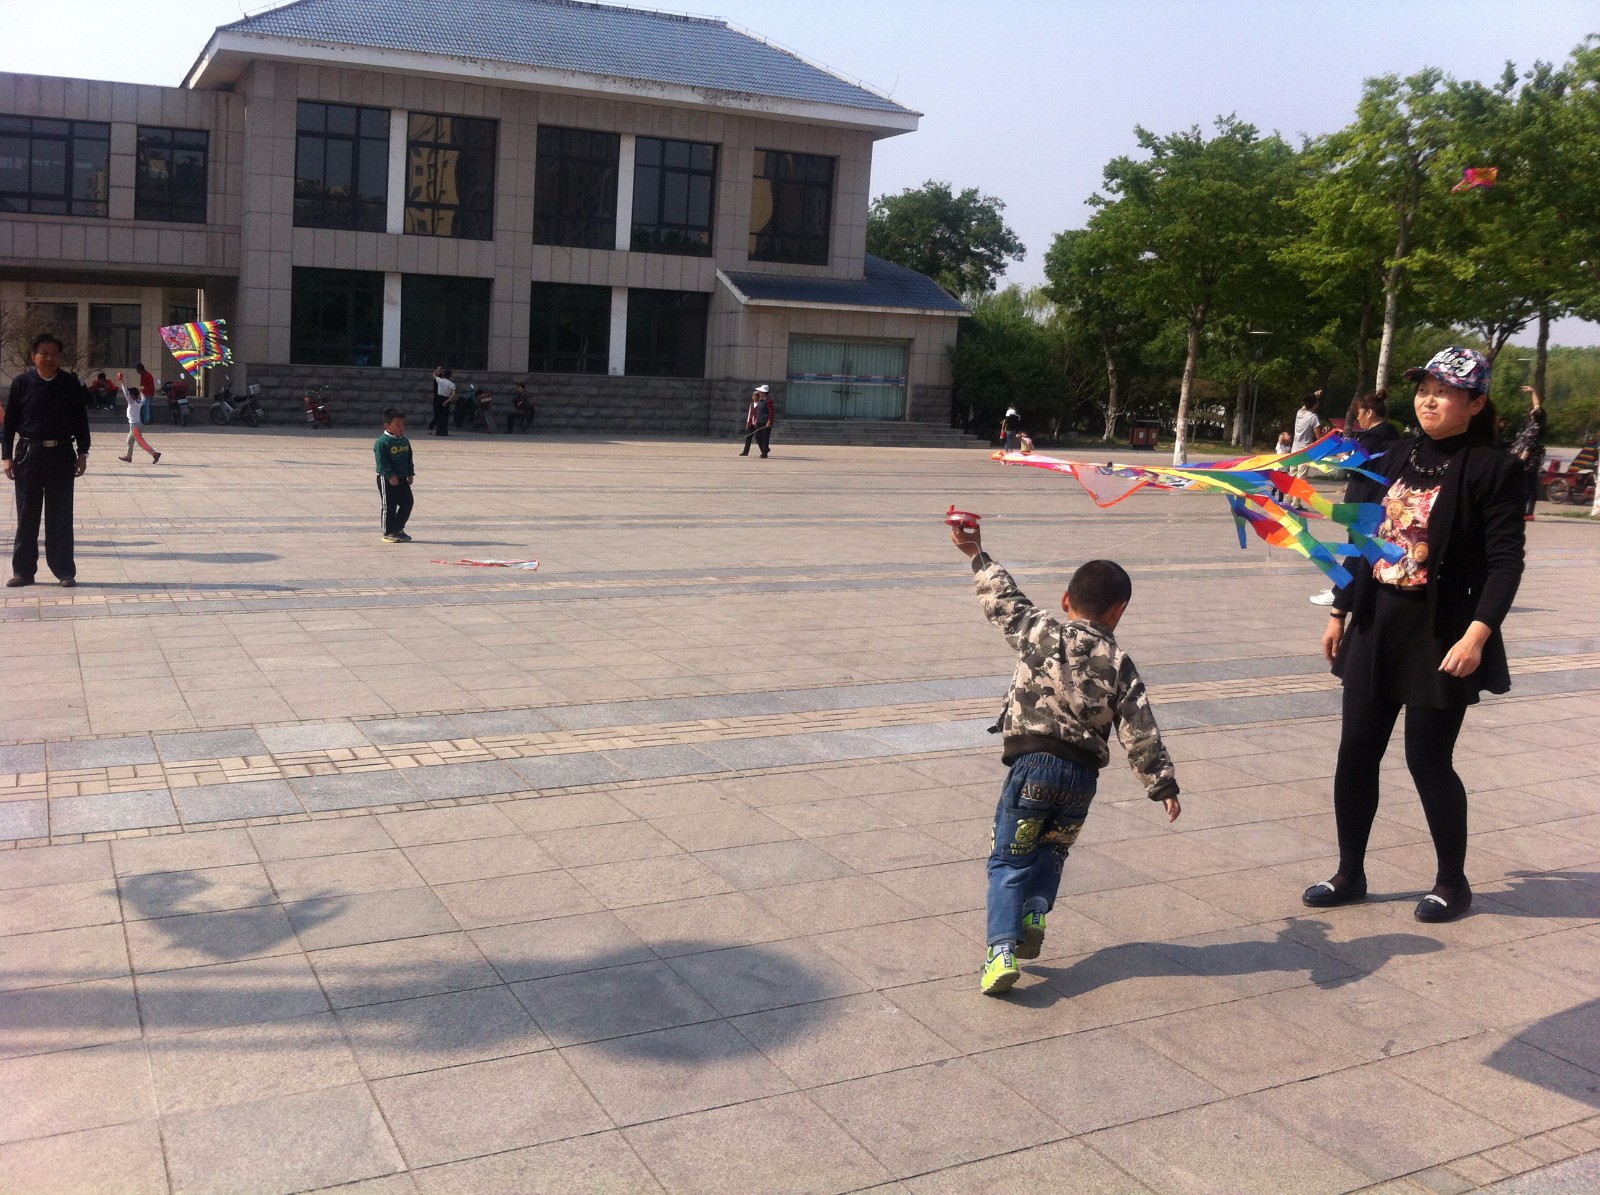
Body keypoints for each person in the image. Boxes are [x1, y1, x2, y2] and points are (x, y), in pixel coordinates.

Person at [1307, 346, 1524, 924]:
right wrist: (1339, 611)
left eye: (1444, 392)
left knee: (1428, 760)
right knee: (1356, 752)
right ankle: (1349, 873)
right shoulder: (1396, 454)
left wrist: (1477, 636)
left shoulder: (1494, 467)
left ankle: (1452, 882)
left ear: (1475, 403)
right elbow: (1365, 538)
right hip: (1376, 620)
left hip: (1440, 633)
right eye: (1424, 389)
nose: (1429, 400)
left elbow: (1506, 562)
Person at [951, 520, 1181, 996]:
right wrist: (1161, 783)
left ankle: (1000, 952)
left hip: (1032, 768)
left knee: (1008, 860)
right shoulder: (1119, 662)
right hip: (1080, 780)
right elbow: (1139, 726)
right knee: (1052, 850)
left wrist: (976, 553)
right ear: (1118, 611)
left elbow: (1004, 600)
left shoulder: (1041, 631)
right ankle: (1035, 912)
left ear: (1064, 600)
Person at [4, 333, 92, 587]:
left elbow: (80, 419)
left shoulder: (70, 384)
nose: (49, 358)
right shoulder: (21, 383)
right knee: (27, 515)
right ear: (34, 357)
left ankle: (64, 570)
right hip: (28, 454)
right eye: (44, 354)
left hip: (61, 454)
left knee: (60, 515)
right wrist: (7, 457)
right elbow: (9, 425)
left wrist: (83, 452)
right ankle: (23, 571)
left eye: (54, 354)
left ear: (60, 357)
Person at [1310, 389, 1399, 606]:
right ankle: (1358, 592)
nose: (1359, 419)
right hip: (1377, 497)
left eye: (1360, 414)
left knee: (1357, 546)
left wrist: (1342, 455)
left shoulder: (1374, 436)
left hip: (1364, 497)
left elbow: (1356, 466)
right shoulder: (1391, 433)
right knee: (1364, 546)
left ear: (1369, 412)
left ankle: (1341, 593)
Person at [374, 408, 414, 543]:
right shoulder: (382, 442)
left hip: (402, 478)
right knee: (389, 505)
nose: (401, 428)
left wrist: (410, 473)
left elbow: (409, 458)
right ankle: (388, 532)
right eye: (397, 425)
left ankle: (398, 528)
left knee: (407, 502)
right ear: (387, 426)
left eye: (403, 425)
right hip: (386, 478)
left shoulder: (404, 441)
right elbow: (381, 462)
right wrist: (390, 475)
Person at [1511, 385, 1547, 521]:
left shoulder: (1534, 429)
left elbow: (1528, 446)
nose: (1532, 410)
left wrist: (1520, 460)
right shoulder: (1538, 423)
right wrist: (1533, 392)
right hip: (1531, 462)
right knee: (1529, 486)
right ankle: (1527, 511)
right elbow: (1537, 406)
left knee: (1527, 487)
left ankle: (1527, 512)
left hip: (1528, 462)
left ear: (1534, 416)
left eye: (1532, 411)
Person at [115, 372, 160, 465]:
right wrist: (142, 391)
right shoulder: (139, 402)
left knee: (140, 442)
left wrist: (122, 381)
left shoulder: (132, 402)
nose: (129, 395)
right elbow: (143, 398)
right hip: (136, 424)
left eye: (130, 394)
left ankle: (154, 454)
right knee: (129, 441)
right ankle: (128, 457)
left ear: (133, 395)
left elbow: (125, 393)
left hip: (134, 425)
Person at [740, 384, 774, 458]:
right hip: (759, 421)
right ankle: (765, 449)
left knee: (765, 438)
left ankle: (764, 454)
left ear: (764, 392)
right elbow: (758, 412)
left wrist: (769, 421)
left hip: (765, 422)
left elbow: (771, 412)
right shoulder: (761, 400)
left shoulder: (768, 401)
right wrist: (756, 420)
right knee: (758, 436)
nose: (759, 393)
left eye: (760, 392)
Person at [428, 367, 454, 436]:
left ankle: (436, 429)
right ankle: (434, 428)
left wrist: (438, 369)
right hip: (440, 398)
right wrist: (438, 370)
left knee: (439, 415)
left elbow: (434, 375)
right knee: (439, 415)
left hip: (439, 398)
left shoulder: (441, 381)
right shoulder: (439, 381)